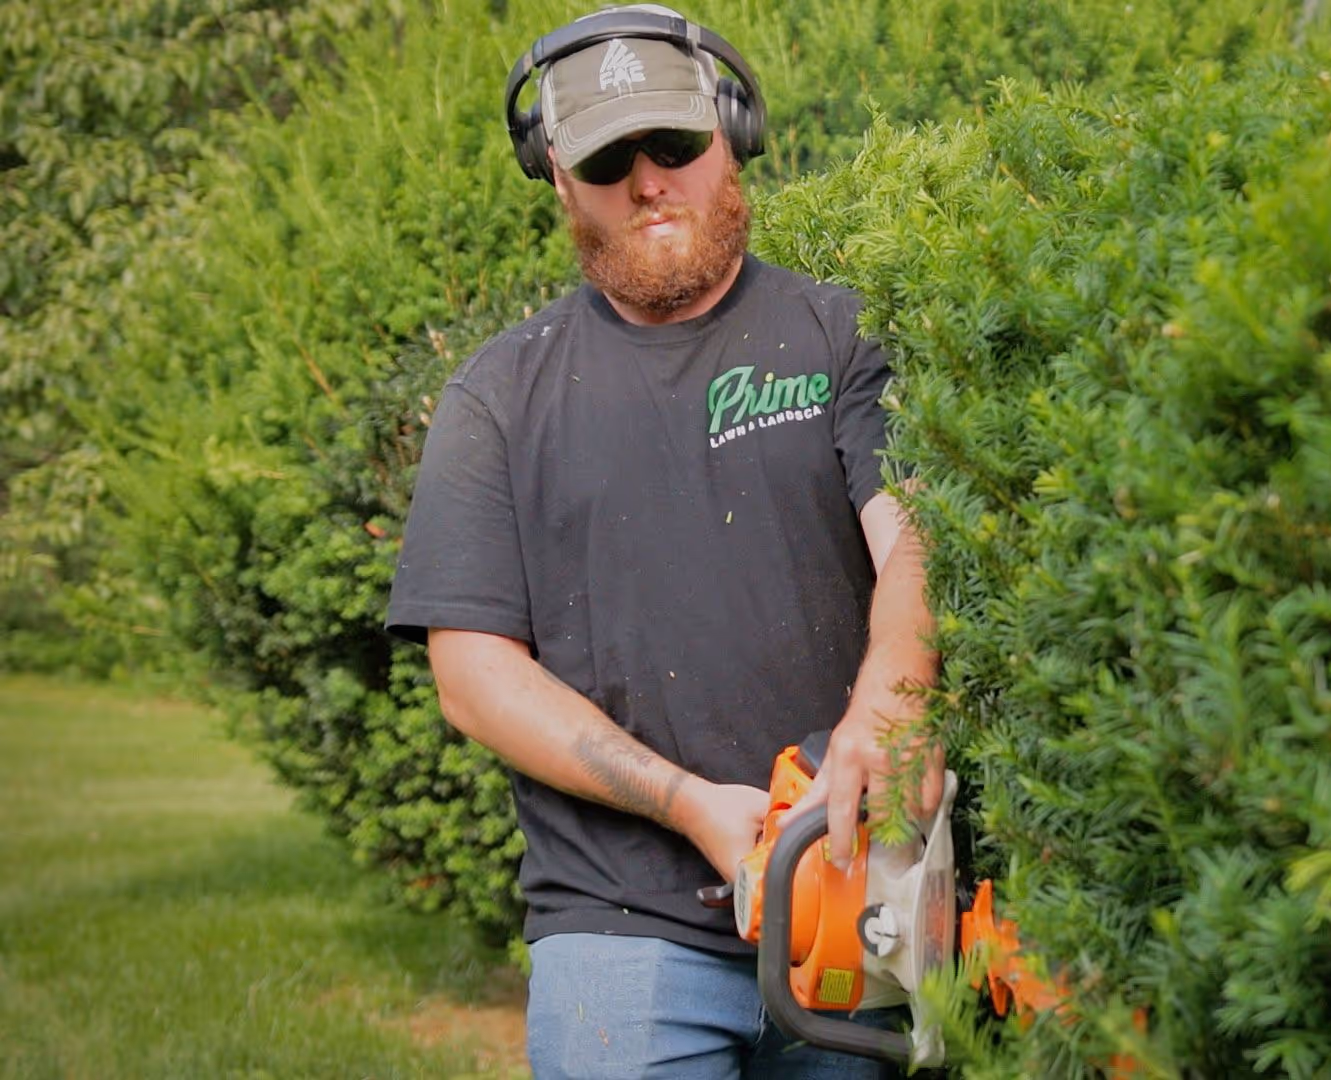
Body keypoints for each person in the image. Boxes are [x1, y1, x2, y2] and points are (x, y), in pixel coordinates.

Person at [384, 7, 942, 1076]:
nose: (649, 181)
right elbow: (472, 675)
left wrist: (890, 701)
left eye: (674, 145)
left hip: (850, 894)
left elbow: (911, 536)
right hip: (620, 928)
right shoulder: (498, 397)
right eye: (608, 158)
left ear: (731, 133)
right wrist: (688, 805)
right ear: (557, 178)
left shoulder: (838, 333)